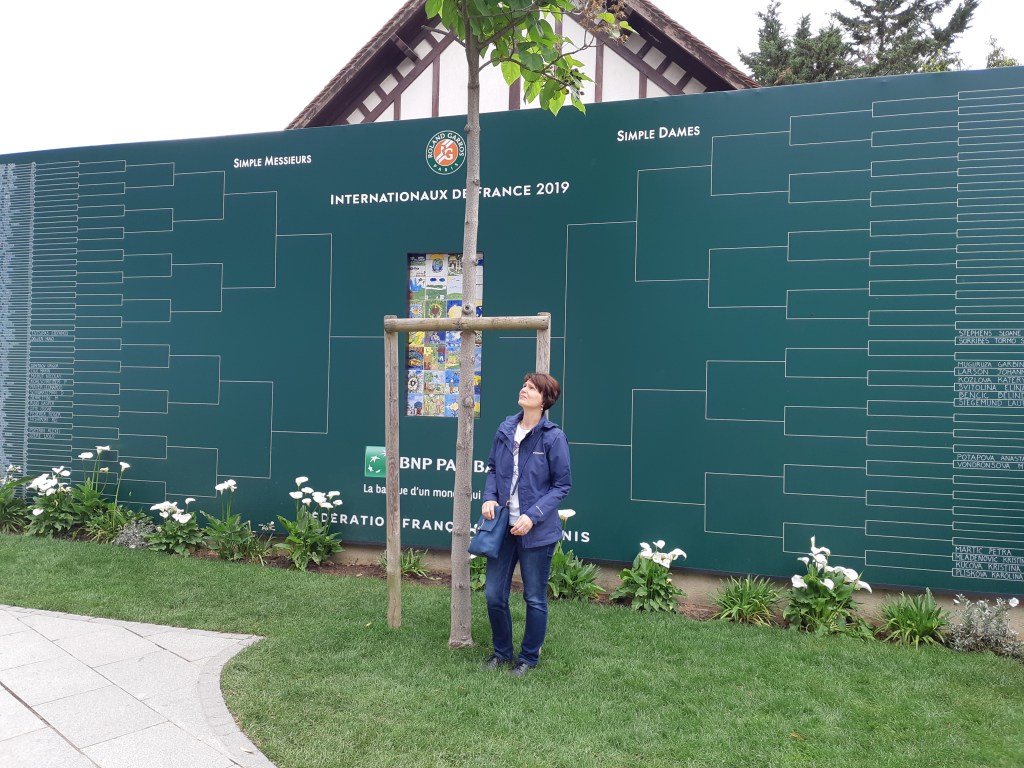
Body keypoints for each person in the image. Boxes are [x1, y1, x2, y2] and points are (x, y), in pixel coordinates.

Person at [480, 373, 571, 677]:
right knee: (494, 595)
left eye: (532, 388)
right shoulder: (505, 429)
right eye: (524, 385)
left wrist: (532, 516)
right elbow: (492, 468)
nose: (524, 389)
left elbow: (562, 485)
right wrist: (489, 498)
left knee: (534, 598)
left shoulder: (553, 437)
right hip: (502, 527)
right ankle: (502, 653)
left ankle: (528, 659)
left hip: (537, 531)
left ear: (545, 400)